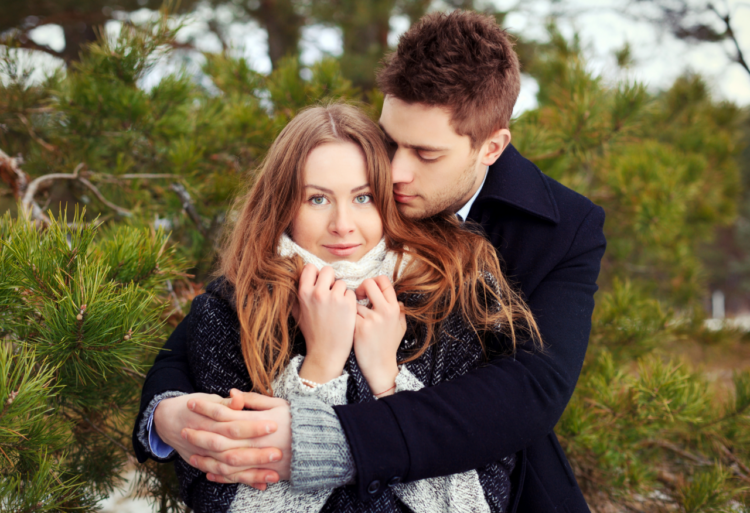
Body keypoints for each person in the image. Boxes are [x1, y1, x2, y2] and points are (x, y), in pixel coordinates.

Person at [132, 10, 607, 513]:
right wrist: (165, 413)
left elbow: (530, 392)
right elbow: (214, 324)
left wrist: (326, 437)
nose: (394, 173)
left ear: (491, 147)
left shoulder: (555, 232)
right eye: (389, 141)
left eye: (425, 154)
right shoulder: (350, 185)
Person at [171, 102, 539, 512]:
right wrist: (320, 369)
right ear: (283, 206)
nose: (342, 224)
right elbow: (221, 500)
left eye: (363, 197)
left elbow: (480, 503)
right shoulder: (229, 314)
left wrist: (388, 380)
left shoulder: (453, 293)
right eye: (317, 199)